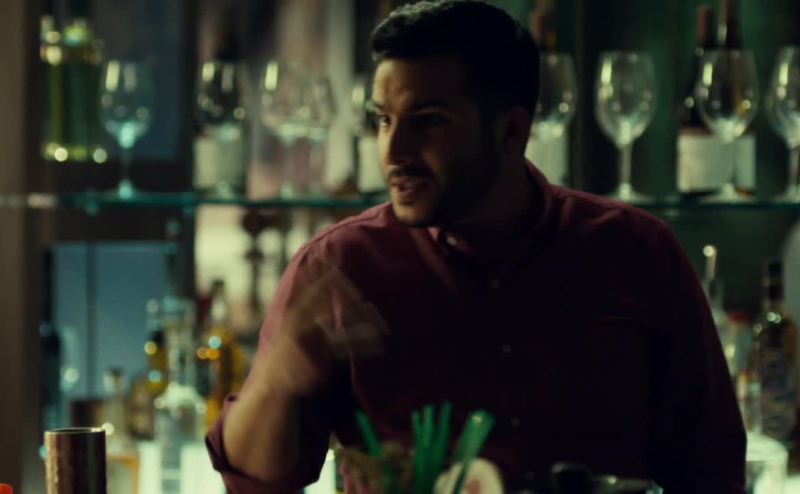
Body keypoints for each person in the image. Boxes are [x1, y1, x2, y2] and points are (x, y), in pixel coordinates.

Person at [206, 1, 746, 492]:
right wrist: (278, 379)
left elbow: (711, 469)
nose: (393, 151)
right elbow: (252, 484)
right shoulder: (341, 264)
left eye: (428, 122)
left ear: (511, 132)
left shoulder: (635, 252)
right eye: (384, 120)